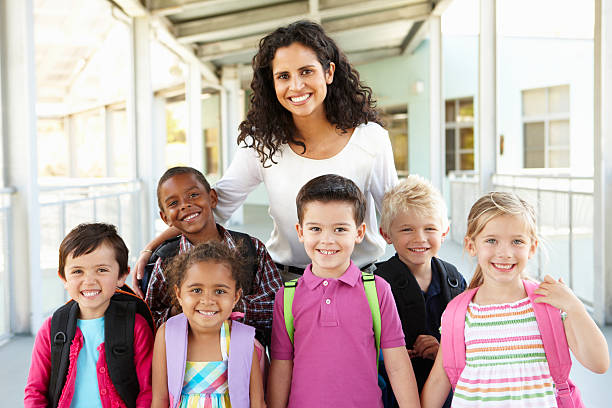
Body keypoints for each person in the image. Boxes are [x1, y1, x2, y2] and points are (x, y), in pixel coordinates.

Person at [132, 20, 397, 286]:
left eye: (306, 71)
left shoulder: (370, 138)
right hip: (288, 283)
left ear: (328, 73)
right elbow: (214, 208)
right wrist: (151, 248)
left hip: (361, 282)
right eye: (283, 76)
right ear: (272, 83)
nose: (296, 86)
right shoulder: (261, 143)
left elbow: (395, 217)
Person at [421, 192, 609, 407]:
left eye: (517, 241)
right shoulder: (457, 313)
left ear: (532, 247)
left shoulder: (549, 304)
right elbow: (438, 380)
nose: (505, 253)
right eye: (491, 240)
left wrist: (574, 307)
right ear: (471, 245)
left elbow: (599, 363)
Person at [267, 174, 419, 408]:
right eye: (315, 228)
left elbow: (397, 363)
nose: (327, 240)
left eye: (339, 229)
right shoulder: (287, 297)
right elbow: (281, 365)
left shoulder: (377, 290)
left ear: (358, 233)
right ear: (300, 231)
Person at [144, 166, 282, 346]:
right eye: (173, 203)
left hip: (248, 361)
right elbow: (150, 321)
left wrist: (230, 304)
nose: (185, 205)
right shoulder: (164, 261)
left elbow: (277, 309)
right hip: (186, 365)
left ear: (212, 198)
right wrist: (179, 309)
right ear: (165, 218)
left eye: (193, 195)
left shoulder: (252, 249)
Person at [24, 223, 154, 408]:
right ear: (64, 278)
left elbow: (148, 390)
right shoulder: (51, 329)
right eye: (78, 271)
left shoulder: (135, 326)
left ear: (121, 276)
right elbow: (35, 391)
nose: (89, 281)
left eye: (102, 270)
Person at [375, 175, 466, 407]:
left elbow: (470, 341)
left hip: (446, 394)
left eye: (430, 228)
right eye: (407, 229)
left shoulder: (455, 280)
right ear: (386, 234)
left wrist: (442, 350)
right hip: (393, 394)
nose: (420, 238)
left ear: (444, 232)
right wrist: (390, 355)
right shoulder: (376, 283)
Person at [151, 241, 265, 408]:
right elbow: (159, 400)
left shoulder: (242, 339)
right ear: (179, 294)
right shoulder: (167, 333)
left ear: (235, 296)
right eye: (196, 290)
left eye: (220, 291)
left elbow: (258, 402)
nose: (207, 301)